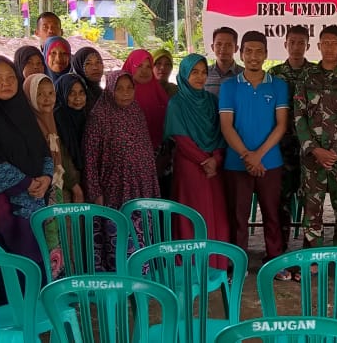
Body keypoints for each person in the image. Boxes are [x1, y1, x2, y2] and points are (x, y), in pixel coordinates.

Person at [0, 56, 50, 269]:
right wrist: (27, 183)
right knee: (6, 273)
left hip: (35, 204)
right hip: (1, 210)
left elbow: (43, 149)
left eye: (11, 77)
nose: (6, 83)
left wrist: (46, 177)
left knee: (34, 268)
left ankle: (34, 303)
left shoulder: (24, 111)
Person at [219, 31, 288, 275]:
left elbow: (281, 124)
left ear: (266, 54)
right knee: (238, 217)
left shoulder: (278, 85)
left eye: (259, 51)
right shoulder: (229, 87)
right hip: (237, 163)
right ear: (241, 53)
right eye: (248, 51)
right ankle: (237, 264)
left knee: (272, 214)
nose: (253, 56)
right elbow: (226, 125)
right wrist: (248, 156)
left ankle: (274, 262)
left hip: (270, 161)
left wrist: (258, 155)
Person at [83, 70, 160, 270]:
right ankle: (120, 286)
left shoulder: (136, 111)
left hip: (140, 188)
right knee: (117, 239)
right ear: (109, 90)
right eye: (119, 89)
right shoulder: (98, 117)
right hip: (114, 191)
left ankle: (141, 280)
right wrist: (95, 192)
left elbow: (145, 151)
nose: (126, 93)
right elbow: (90, 159)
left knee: (141, 237)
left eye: (129, 88)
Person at [293, 25, 337, 254]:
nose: (329, 48)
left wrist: (334, 150)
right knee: (312, 209)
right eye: (325, 43)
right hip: (312, 158)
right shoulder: (306, 77)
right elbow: (299, 116)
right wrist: (314, 149)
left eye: (334, 43)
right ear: (318, 46)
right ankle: (312, 257)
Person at [164, 53, 229, 267]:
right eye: (194, 72)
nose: (200, 77)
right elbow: (181, 139)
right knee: (192, 212)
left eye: (203, 72)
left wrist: (217, 159)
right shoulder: (177, 103)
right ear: (184, 74)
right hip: (190, 167)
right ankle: (191, 262)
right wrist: (205, 160)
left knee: (216, 213)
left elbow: (222, 133)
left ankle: (216, 262)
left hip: (214, 168)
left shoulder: (212, 101)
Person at [270, 25, 316, 246]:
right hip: (282, 147)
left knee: (311, 201)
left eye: (301, 42)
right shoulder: (274, 75)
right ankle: (280, 249)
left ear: (308, 45)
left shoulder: (316, 74)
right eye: (292, 42)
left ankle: (308, 251)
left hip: (310, 148)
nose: (296, 47)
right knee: (282, 200)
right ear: (285, 43)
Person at [24, 74, 82, 204]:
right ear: (30, 96)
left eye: (51, 93)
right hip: (37, 192)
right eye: (40, 94)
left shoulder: (50, 120)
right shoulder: (28, 126)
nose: (47, 99)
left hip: (55, 186)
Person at [123, 49, 171, 197]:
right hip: (128, 166)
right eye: (139, 65)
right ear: (131, 66)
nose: (144, 71)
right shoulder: (119, 95)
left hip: (160, 161)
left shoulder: (160, 94)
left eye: (148, 66)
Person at [54, 74, 88, 178]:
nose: (78, 98)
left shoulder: (86, 114)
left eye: (81, 92)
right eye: (71, 93)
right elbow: (62, 156)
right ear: (63, 93)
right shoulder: (58, 117)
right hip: (65, 178)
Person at [206, 27, 244, 96]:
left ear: (236, 48)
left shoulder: (245, 75)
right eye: (219, 44)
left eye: (228, 45)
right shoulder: (204, 73)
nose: (223, 48)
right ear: (212, 47)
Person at [71, 47, 105, 112]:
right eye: (88, 63)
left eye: (98, 62)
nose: (95, 67)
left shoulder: (104, 94)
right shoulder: (74, 95)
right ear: (79, 66)